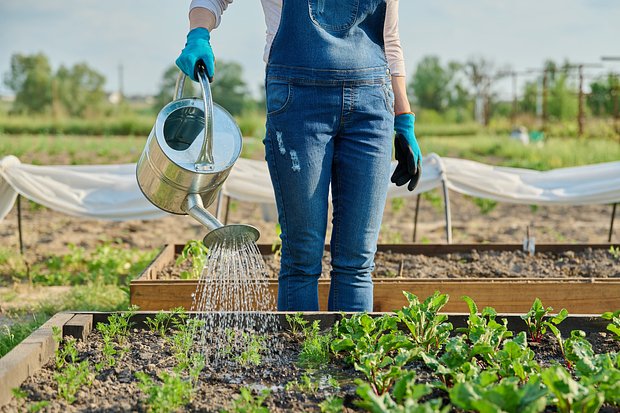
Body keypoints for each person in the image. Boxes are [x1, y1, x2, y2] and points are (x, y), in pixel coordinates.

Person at [176, 0, 422, 312]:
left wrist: (404, 118)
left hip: (371, 108)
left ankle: (350, 358)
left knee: (357, 260)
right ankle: (302, 359)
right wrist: (198, 35)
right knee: (302, 255)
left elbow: (390, 39)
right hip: (298, 106)